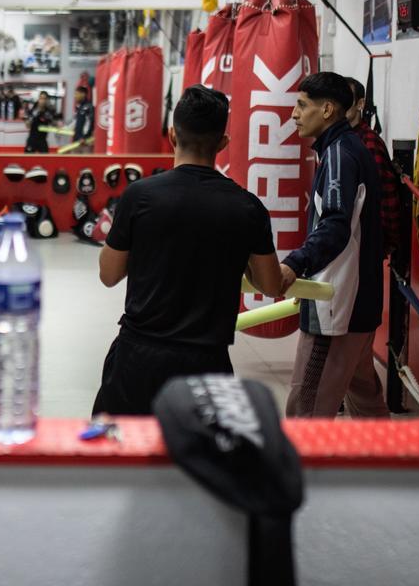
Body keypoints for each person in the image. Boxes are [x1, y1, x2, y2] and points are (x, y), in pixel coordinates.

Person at [92, 85, 283, 415]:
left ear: (171, 135)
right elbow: (270, 284)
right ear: (222, 144)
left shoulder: (139, 197)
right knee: (200, 462)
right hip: (207, 362)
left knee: (120, 457)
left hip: (140, 357)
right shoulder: (247, 207)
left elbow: (108, 275)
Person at [280, 72, 389, 419]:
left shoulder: (341, 155)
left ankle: (296, 472)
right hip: (358, 301)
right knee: (365, 398)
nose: (294, 115)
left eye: (301, 105)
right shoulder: (344, 149)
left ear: (327, 109)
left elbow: (335, 227)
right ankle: (391, 462)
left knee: (306, 411)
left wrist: (295, 265)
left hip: (336, 308)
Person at [344, 76, 402, 256]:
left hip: (365, 242)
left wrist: (386, 242)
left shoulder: (368, 143)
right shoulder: (340, 140)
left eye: (346, 99)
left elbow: (386, 194)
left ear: (360, 104)